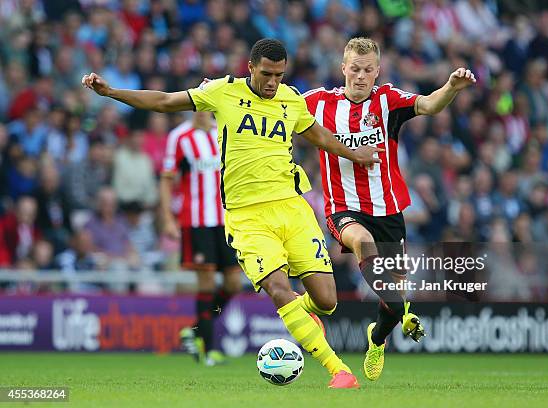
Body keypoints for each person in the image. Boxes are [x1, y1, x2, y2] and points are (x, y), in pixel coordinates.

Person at [82, 38, 381, 389]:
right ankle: (339, 370)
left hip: (292, 209)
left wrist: (354, 155)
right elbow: (165, 101)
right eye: (267, 74)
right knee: (277, 288)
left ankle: (303, 313)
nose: (272, 83)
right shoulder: (224, 92)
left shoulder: (291, 99)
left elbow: (317, 135)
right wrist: (111, 92)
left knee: (327, 302)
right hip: (247, 217)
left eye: (279, 76)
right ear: (251, 67)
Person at [303, 37, 476, 381]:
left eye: (368, 70)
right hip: (344, 208)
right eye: (355, 69)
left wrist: (451, 88)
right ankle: (398, 309)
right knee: (363, 243)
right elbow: (274, 102)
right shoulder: (318, 102)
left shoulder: (388, 100)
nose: (361, 76)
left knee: (393, 308)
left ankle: (377, 338)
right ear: (343, 68)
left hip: (389, 210)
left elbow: (428, 105)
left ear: (377, 71)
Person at [160, 111, 242, 366]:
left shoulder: (222, 130)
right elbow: (166, 179)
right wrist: (168, 219)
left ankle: (196, 330)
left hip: (226, 220)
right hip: (196, 222)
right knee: (206, 282)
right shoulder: (180, 137)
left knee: (233, 283)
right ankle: (208, 350)